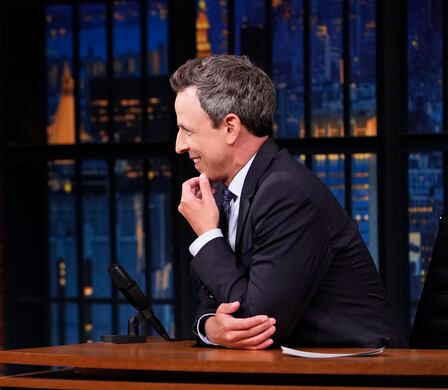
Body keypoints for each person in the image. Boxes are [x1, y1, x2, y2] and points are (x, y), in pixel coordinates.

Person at [173, 55, 406, 349]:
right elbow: (214, 303)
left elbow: (257, 322)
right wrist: (210, 327)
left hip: (361, 369)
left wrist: (208, 236)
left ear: (231, 127)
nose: (179, 146)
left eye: (188, 131)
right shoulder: (224, 194)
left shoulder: (285, 192)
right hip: (294, 368)